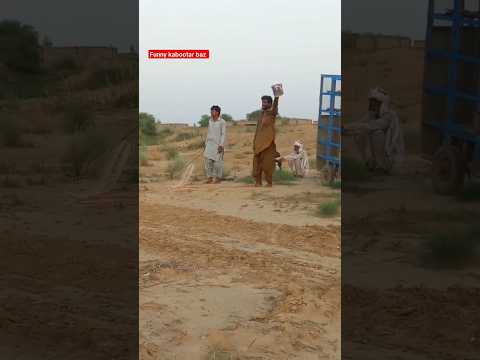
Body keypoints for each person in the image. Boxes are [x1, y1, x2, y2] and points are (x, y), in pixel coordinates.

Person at [345, 87, 405, 173]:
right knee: (360, 134)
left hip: (390, 158)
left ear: (382, 104)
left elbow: (369, 126)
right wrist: (345, 129)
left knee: (377, 133)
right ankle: (368, 163)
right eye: (371, 102)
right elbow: (360, 125)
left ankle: (381, 167)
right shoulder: (372, 115)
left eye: (375, 103)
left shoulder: (389, 116)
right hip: (378, 155)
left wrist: (346, 127)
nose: (372, 105)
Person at [252, 91, 280, 187]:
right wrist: (254, 143)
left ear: (270, 104)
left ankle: (269, 182)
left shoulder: (272, 113)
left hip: (268, 145)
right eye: (262, 102)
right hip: (258, 144)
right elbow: (257, 130)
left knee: (267, 164)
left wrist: (276, 97)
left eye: (265, 102)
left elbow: (275, 106)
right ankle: (258, 182)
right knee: (257, 164)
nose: (263, 104)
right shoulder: (261, 114)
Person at [203, 105, 226, 183]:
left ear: (217, 112)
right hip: (209, 144)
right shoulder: (210, 121)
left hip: (218, 145)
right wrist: (206, 144)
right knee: (208, 162)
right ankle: (209, 178)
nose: (211, 112)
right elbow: (208, 133)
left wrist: (221, 145)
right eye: (211, 111)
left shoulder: (222, 122)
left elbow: (223, 134)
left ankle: (218, 178)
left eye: (213, 111)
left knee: (217, 163)